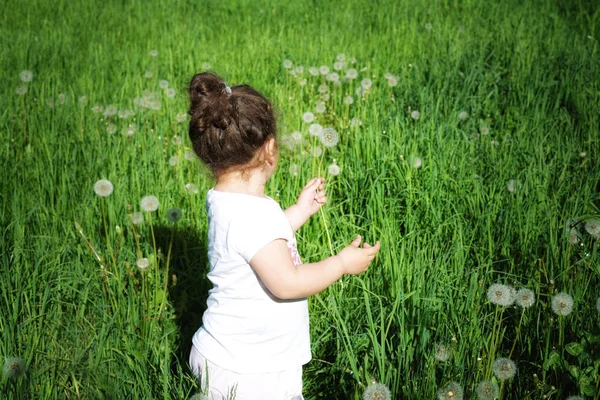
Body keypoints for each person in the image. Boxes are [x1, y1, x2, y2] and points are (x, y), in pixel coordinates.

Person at [186, 72, 381, 400]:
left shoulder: (224, 201)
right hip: (252, 371)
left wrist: (300, 210)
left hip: (223, 352)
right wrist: (341, 263)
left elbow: (259, 244)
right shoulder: (256, 214)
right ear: (270, 149)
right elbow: (287, 282)